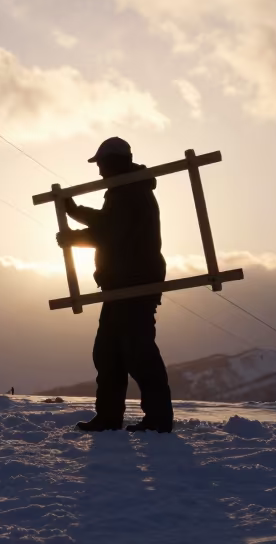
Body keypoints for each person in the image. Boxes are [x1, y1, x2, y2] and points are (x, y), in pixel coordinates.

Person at [57, 136, 173, 433]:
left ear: (114, 163)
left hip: (134, 283)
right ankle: (109, 417)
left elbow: (111, 232)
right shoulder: (125, 189)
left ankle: (158, 419)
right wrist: (76, 222)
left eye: (101, 164)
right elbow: (110, 227)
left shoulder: (130, 190)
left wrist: (74, 225)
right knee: (108, 352)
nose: (99, 172)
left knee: (138, 352)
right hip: (121, 283)